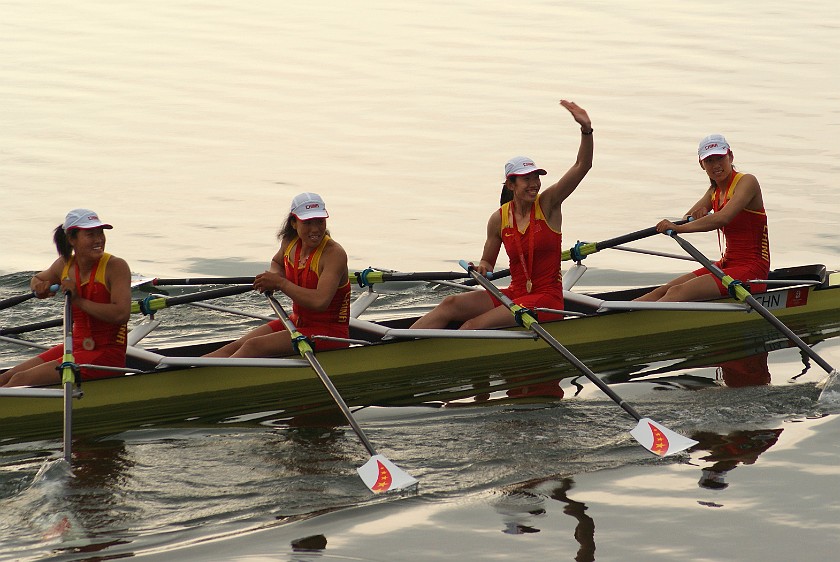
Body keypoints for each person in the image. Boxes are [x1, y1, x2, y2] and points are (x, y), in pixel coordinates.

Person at [410, 100, 593, 330]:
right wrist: (482, 268)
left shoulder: (549, 204)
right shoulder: (498, 219)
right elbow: (487, 262)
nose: (534, 184)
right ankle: (397, 346)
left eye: (536, 177)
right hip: (515, 294)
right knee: (450, 304)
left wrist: (586, 129)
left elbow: (582, 166)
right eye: (527, 179)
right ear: (511, 184)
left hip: (547, 301)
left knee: (471, 326)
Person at [206, 192, 351, 358]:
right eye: (308, 222)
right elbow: (277, 263)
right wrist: (274, 277)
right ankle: (188, 369)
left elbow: (320, 302)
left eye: (320, 221)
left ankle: (211, 382)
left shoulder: (334, 254)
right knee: (237, 345)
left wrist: (280, 283)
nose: (316, 229)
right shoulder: (290, 242)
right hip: (297, 321)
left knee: (253, 346)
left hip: (331, 334)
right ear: (294, 223)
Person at [0, 209, 132, 387]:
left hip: (106, 355)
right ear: (71, 239)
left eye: (100, 232)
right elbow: (37, 278)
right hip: (76, 346)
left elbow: (121, 314)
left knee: (20, 381)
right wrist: (39, 288)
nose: (99, 239)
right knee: (6, 377)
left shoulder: (116, 266)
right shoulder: (64, 265)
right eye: (90, 234)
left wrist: (78, 300)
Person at [635, 134, 770, 302]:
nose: (716, 165)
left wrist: (680, 228)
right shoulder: (714, 191)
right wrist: (694, 216)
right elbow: (686, 217)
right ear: (701, 164)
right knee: (663, 290)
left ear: (730, 156)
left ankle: (640, 325)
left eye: (720, 158)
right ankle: (618, 313)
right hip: (726, 264)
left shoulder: (747, 182)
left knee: (677, 292)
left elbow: (723, 218)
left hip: (753, 270)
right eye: (709, 161)